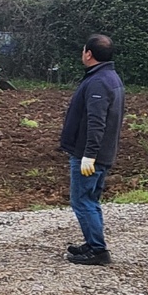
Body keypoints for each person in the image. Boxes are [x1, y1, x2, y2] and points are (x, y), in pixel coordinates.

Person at [59, 33, 124, 266]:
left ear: (89, 53)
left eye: (83, 50)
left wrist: (89, 154)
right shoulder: (110, 77)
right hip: (102, 153)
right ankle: (92, 242)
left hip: (90, 156)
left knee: (82, 201)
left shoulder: (98, 82)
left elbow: (97, 121)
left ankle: (98, 250)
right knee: (91, 199)